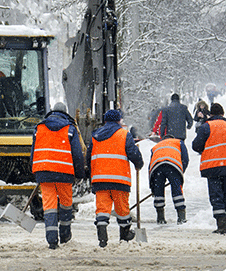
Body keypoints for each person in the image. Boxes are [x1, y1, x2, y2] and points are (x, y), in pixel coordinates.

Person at [31, 102, 85, 249]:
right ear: (65, 113)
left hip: (44, 173)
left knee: (49, 207)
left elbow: (33, 152)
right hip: (64, 174)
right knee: (66, 205)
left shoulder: (39, 128)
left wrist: (36, 170)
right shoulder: (70, 129)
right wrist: (80, 174)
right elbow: (77, 155)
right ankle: (65, 235)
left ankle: (52, 240)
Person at [87, 109, 144, 248]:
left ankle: (102, 236)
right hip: (119, 179)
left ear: (105, 120)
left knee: (102, 208)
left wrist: (90, 174)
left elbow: (88, 157)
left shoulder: (95, 135)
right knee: (122, 209)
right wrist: (139, 163)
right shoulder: (124, 134)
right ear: (119, 120)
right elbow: (132, 153)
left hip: (100, 179)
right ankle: (124, 236)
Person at [192, 103, 226, 234]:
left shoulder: (206, 127)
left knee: (216, 195)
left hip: (213, 167)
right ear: (223, 114)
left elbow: (196, 146)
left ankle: (221, 224)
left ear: (211, 114)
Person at [149, 134, 189, 224]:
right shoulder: (178, 142)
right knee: (176, 190)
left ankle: (160, 218)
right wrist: (180, 172)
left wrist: (152, 187)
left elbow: (150, 166)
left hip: (157, 167)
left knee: (158, 192)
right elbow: (185, 159)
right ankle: (181, 217)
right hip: (173, 166)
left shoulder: (156, 146)